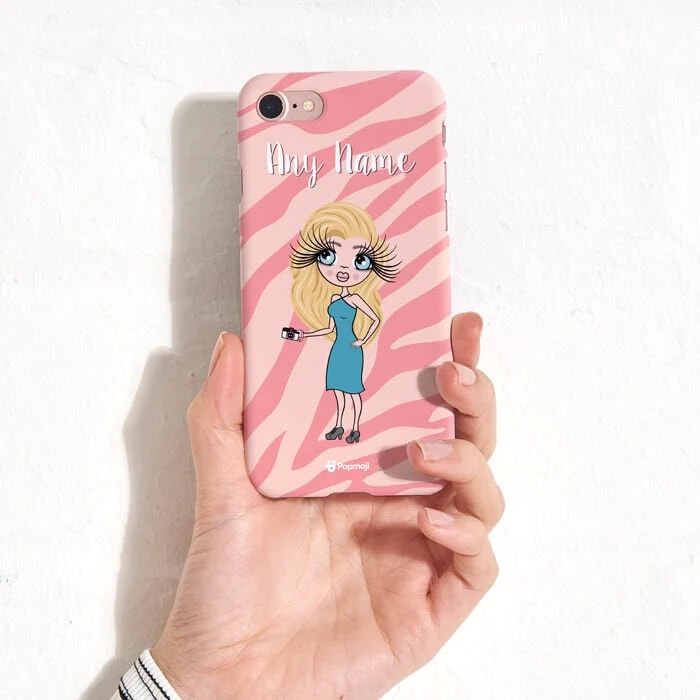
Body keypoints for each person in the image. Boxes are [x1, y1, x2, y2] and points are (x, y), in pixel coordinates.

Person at [113, 312, 504, 699]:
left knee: (352, 393)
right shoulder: (332, 303)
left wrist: (362, 338)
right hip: (337, 349)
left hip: (351, 350)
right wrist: (216, 682)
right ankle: (342, 427)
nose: (344, 276)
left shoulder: (359, 300)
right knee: (339, 392)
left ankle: (352, 428)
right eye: (332, 268)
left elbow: (371, 319)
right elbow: (330, 328)